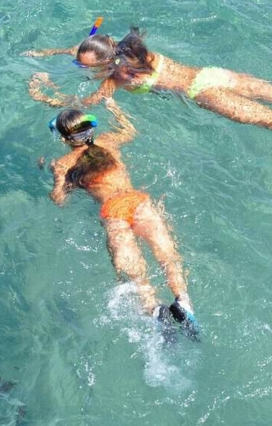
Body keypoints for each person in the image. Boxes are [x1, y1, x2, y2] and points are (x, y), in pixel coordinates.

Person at [24, 26, 272, 164]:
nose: (81, 65)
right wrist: (49, 53)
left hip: (207, 93)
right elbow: (84, 48)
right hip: (211, 74)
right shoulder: (128, 50)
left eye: (84, 64)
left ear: (104, 62)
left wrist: (47, 96)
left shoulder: (117, 78)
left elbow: (85, 109)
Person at [48, 100, 199, 340]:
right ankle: (183, 301)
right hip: (138, 200)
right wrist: (114, 107)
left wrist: (55, 175)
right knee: (167, 256)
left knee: (137, 276)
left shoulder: (64, 163)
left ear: (65, 139)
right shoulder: (108, 141)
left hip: (114, 210)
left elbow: (59, 200)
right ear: (91, 129)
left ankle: (155, 310)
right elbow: (130, 130)